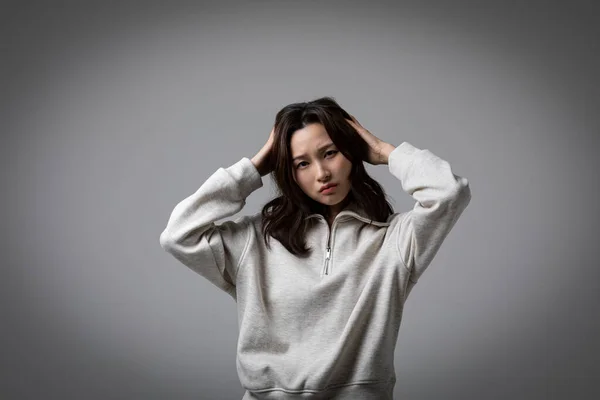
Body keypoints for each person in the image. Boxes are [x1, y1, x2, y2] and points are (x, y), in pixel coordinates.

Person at [159, 97, 471, 399]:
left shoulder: (395, 241)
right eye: (302, 163)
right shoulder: (254, 240)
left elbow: (449, 192)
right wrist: (252, 169)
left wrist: (382, 150)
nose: (322, 174)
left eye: (331, 153)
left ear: (351, 154)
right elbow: (178, 234)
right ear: (287, 172)